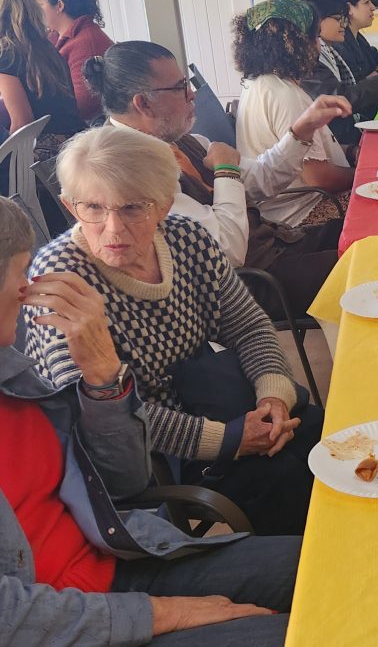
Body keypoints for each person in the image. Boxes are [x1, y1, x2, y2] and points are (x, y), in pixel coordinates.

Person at [0, 196, 300, 645]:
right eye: (20, 273)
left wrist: (104, 377)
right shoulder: (60, 284)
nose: (28, 290)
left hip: (122, 558)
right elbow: (13, 617)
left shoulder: (14, 376)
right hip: (65, 620)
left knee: (326, 569)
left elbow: (124, 484)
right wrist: (164, 612)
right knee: (308, 629)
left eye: (135, 207)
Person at [23, 126, 323, 536]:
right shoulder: (62, 278)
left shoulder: (187, 238)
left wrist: (273, 394)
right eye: (93, 207)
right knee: (282, 482)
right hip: (147, 452)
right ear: (70, 207)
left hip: (206, 398)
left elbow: (249, 327)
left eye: (132, 208)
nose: (112, 229)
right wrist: (229, 438)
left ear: (164, 205)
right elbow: (97, 413)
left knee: (320, 438)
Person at [83, 40, 350, 321]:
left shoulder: (182, 142)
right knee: (367, 265)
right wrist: (225, 170)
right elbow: (228, 251)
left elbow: (262, 180)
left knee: (370, 236)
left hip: (275, 247)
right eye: (180, 87)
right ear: (143, 103)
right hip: (248, 285)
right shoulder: (130, 171)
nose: (192, 95)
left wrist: (302, 129)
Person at [233, 0, 353, 227]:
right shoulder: (284, 95)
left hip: (286, 209)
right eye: (315, 37)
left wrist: (352, 151)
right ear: (297, 44)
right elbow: (318, 178)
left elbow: (314, 152)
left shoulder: (259, 84)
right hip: (305, 212)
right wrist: (364, 174)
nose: (319, 45)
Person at [299, 0, 378, 147]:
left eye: (343, 19)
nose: (343, 25)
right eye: (338, 18)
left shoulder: (331, 48)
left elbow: (376, 57)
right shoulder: (310, 59)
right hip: (340, 140)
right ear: (317, 20)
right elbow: (340, 98)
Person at [0, 0, 83, 160]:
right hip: (75, 141)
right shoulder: (45, 47)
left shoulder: (6, 57)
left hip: (45, 152)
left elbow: (23, 124)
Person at [35, 0, 113, 122]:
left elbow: (85, 104)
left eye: (40, 4)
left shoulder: (86, 43)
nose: (35, 10)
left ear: (59, 5)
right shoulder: (55, 36)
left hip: (86, 127)